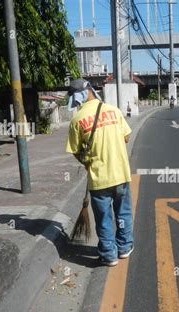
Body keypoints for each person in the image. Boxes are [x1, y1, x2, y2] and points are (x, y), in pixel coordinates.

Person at [65, 79, 134, 267]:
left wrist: (87, 161)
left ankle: (109, 254)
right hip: (121, 175)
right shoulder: (114, 111)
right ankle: (124, 247)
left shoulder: (77, 120)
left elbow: (74, 150)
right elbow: (126, 137)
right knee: (123, 215)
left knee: (104, 219)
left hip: (98, 180)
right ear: (91, 91)